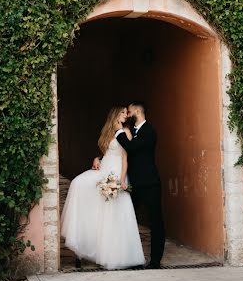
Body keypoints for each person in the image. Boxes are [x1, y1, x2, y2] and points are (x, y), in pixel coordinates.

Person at [60, 106, 145, 270]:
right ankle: (80, 245)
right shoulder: (107, 132)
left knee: (114, 213)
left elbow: (126, 158)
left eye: (126, 113)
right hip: (103, 169)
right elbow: (105, 153)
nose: (125, 115)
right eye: (122, 112)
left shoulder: (126, 132)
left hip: (116, 172)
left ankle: (117, 255)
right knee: (78, 183)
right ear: (114, 115)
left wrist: (121, 179)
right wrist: (97, 158)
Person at [93, 101, 165, 269]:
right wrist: (99, 158)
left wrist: (119, 131)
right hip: (132, 185)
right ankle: (125, 255)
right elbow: (118, 152)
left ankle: (155, 261)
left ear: (137, 112)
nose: (128, 114)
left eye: (130, 111)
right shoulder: (131, 131)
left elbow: (131, 148)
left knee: (156, 222)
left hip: (149, 183)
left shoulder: (149, 131)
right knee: (125, 219)